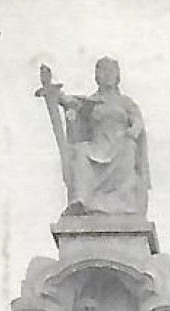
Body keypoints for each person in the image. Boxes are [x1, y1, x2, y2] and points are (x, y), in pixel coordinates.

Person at [42, 57, 150, 216]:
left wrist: (132, 132)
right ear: (97, 76)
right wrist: (50, 88)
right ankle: (81, 201)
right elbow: (68, 101)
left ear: (117, 76)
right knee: (80, 152)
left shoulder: (125, 102)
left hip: (121, 143)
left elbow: (138, 122)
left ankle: (122, 202)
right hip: (97, 145)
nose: (107, 75)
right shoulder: (91, 102)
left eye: (111, 71)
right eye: (103, 71)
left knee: (128, 148)